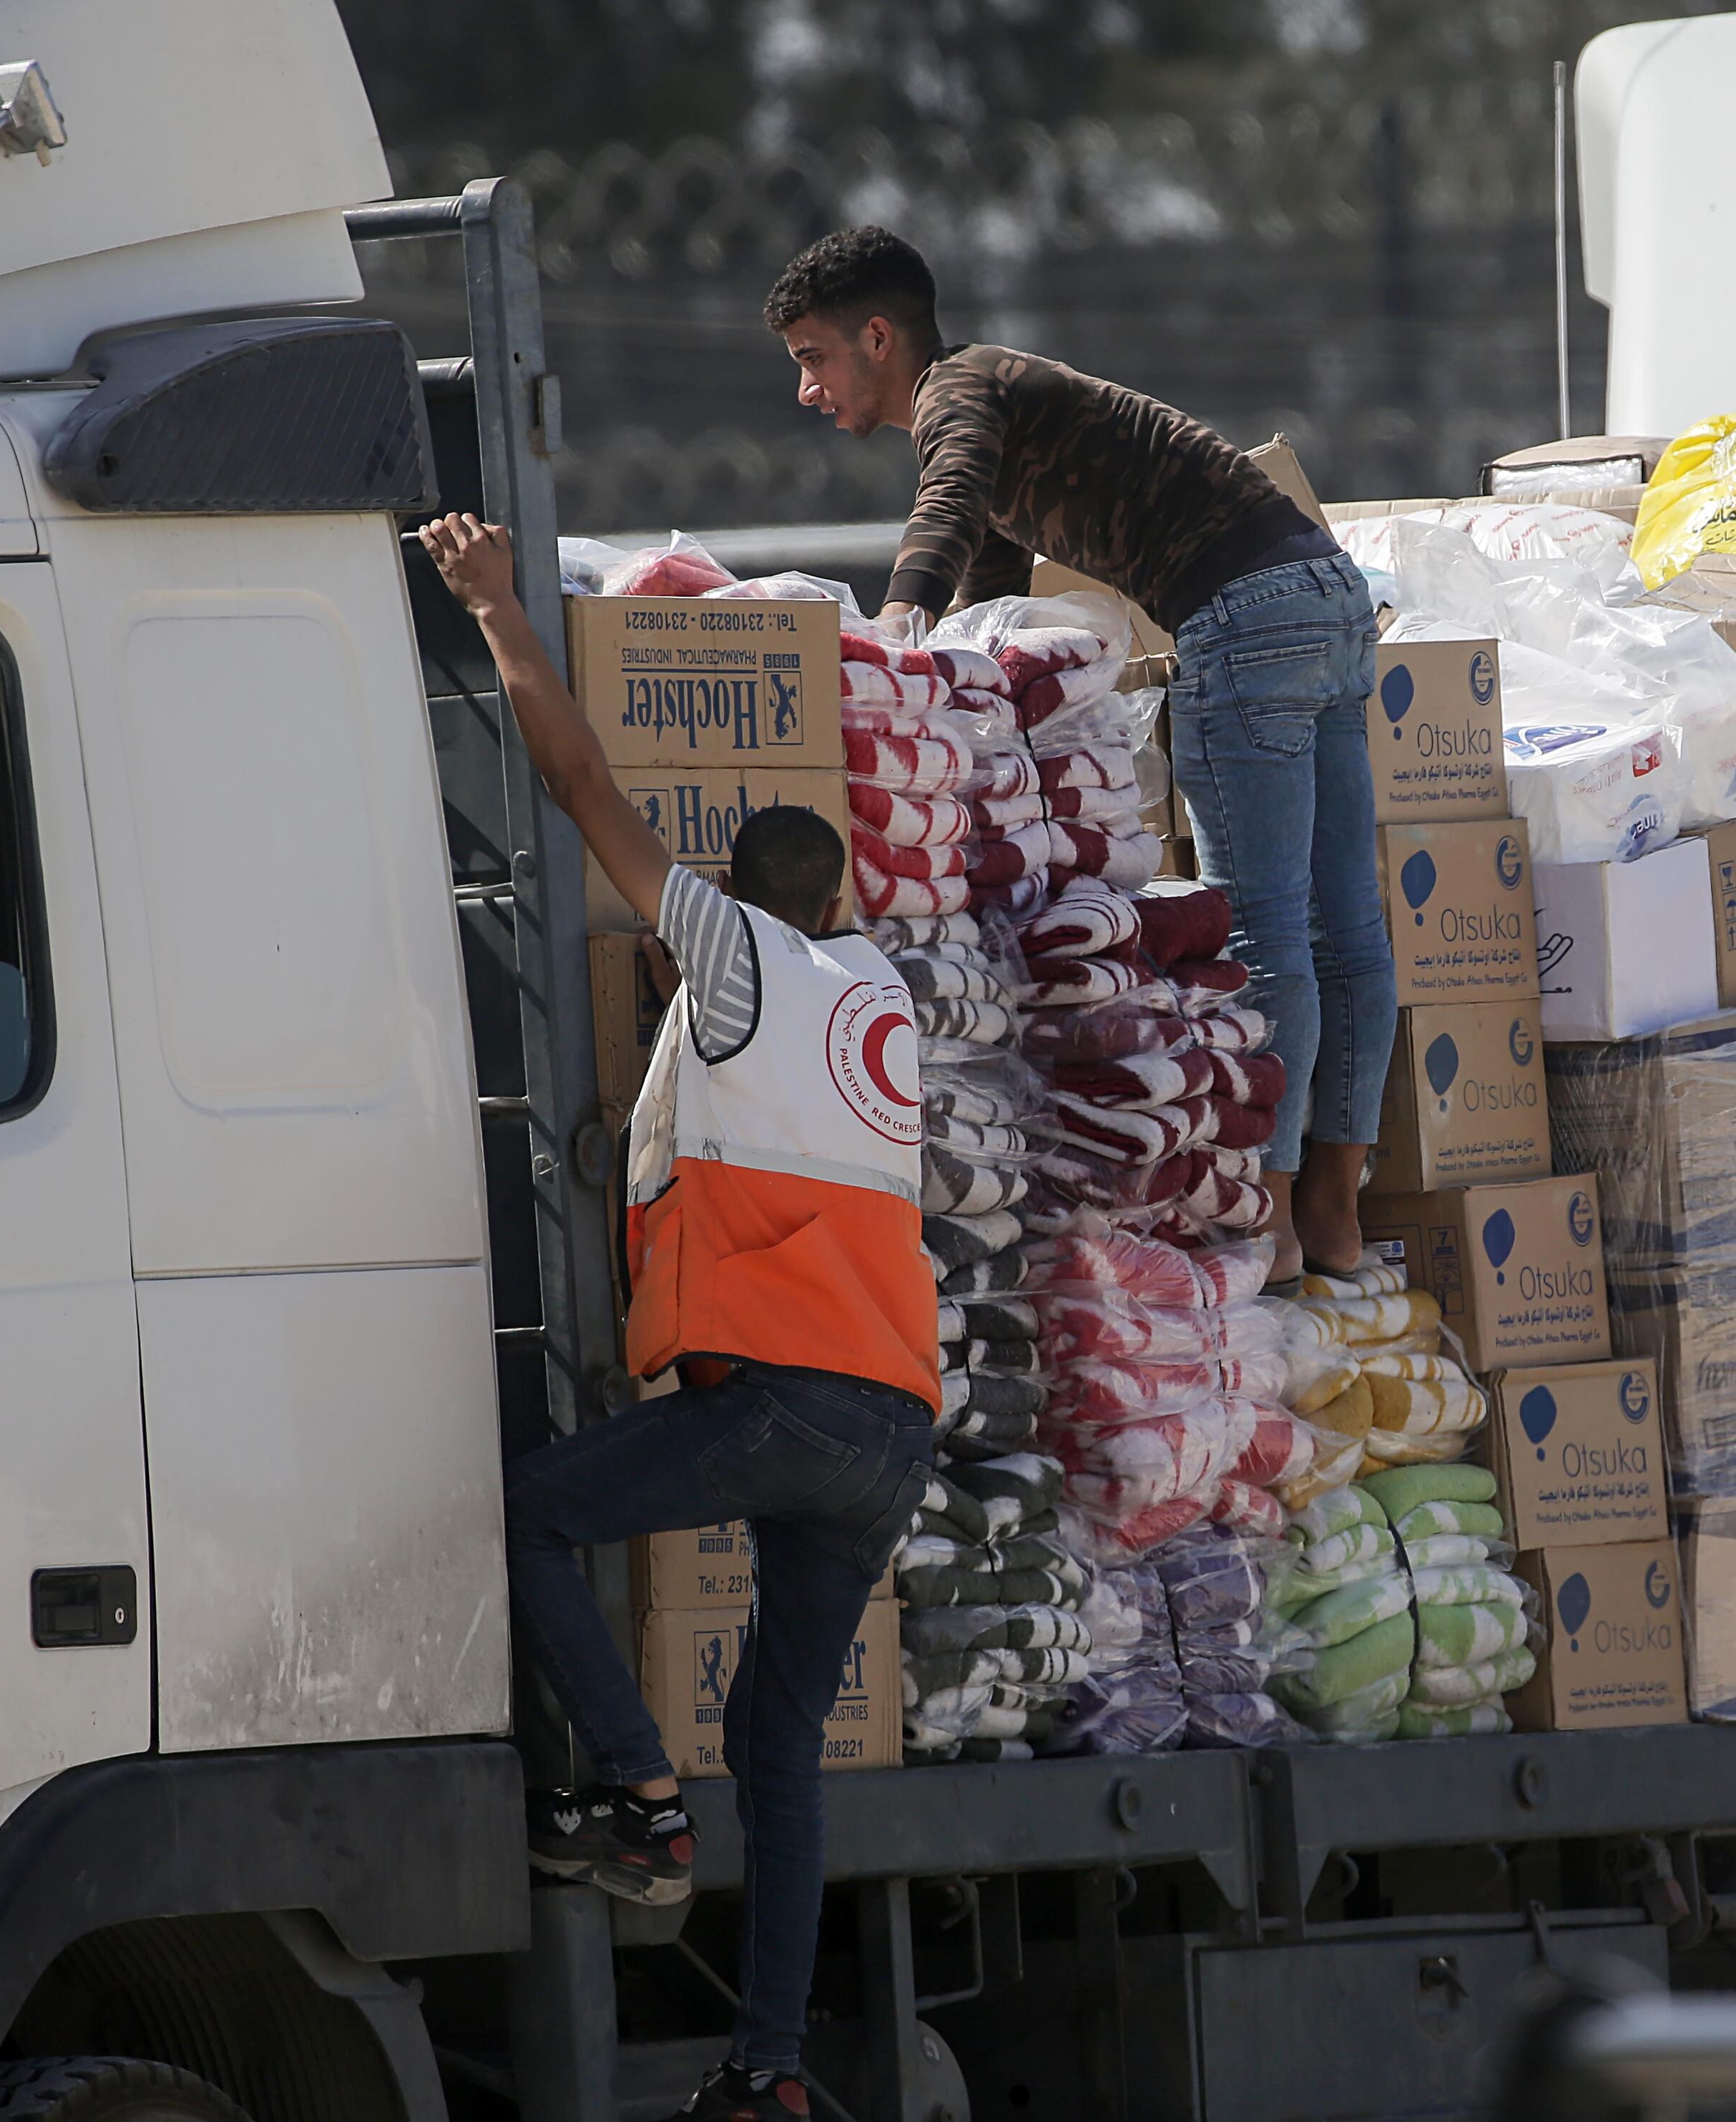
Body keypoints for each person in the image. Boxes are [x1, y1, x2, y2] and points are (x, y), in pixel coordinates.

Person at [420, 511, 935, 2122]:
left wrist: (499, 608)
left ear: (723, 906)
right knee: (781, 1749)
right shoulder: (879, 994)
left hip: (780, 1403)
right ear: (839, 895)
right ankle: (768, 2069)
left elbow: (582, 786)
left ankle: (641, 1798)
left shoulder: (739, 958)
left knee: (529, 1516)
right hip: (890, 1430)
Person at [767, 223, 1398, 1286]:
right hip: (1328, 596)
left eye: (812, 359)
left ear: (878, 338)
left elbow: (948, 500)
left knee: (1266, 929)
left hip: (1245, 616)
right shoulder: (1005, 403)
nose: (807, 391)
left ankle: (1276, 1222)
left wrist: (886, 637)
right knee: (1350, 932)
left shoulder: (958, 389)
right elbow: (992, 591)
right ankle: (1334, 1216)